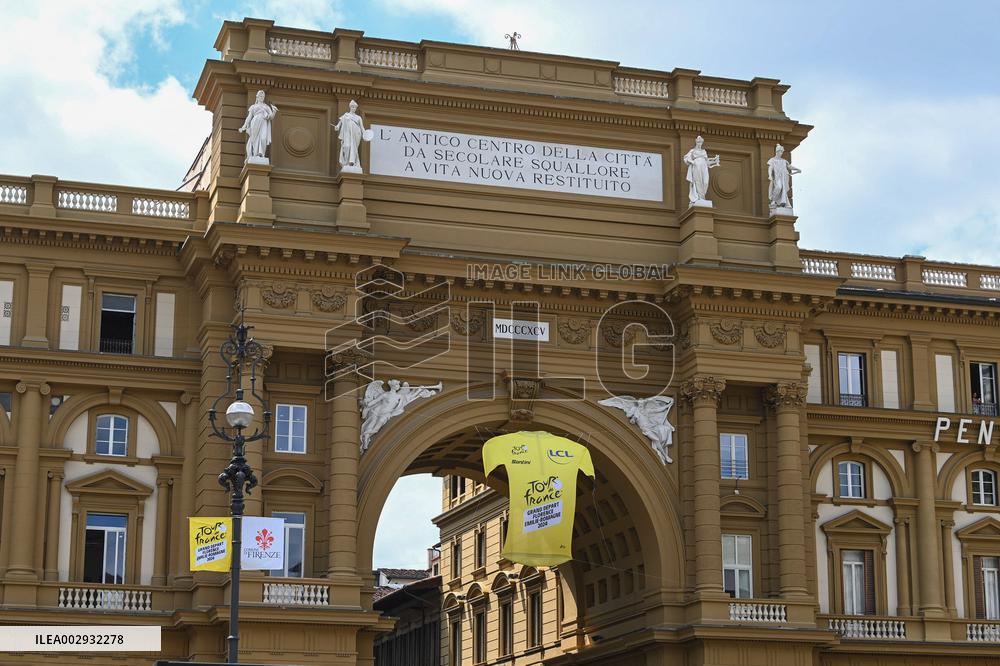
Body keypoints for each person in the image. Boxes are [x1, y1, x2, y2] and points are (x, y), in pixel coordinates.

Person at [333, 100, 372, 172]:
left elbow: (362, 127)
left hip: (356, 133)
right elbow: (340, 123)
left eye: (355, 107)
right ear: (350, 107)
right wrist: (337, 127)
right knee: (346, 146)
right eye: (352, 107)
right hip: (347, 133)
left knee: (354, 148)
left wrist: (365, 134)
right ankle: (346, 162)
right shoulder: (346, 115)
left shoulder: (358, 117)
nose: (353, 108)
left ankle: (352, 163)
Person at [238, 90, 278, 161]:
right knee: (254, 139)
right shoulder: (253, 106)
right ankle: (255, 154)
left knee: (263, 138)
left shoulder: (266, 107)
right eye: (260, 96)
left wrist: (274, 111)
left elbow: (271, 117)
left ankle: (261, 154)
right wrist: (244, 126)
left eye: (263, 96)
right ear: (257, 97)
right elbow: (249, 117)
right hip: (255, 122)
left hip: (264, 122)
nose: (262, 97)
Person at [682, 135, 720, 204]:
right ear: (696, 142)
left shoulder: (704, 151)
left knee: (705, 182)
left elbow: (707, 162)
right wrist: (693, 162)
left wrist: (715, 161)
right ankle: (700, 198)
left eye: (701, 142)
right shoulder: (692, 151)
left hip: (704, 167)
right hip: (696, 167)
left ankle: (702, 197)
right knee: (698, 182)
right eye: (698, 142)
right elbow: (686, 158)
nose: (699, 143)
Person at [767, 144, 801, 209]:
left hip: (784, 177)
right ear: (777, 151)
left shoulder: (784, 161)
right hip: (777, 177)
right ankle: (773, 200)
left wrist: (797, 169)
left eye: (782, 152)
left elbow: (789, 166)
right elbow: (770, 168)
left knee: (783, 190)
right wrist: (770, 175)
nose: (781, 153)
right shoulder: (772, 160)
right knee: (779, 187)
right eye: (780, 151)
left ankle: (784, 203)